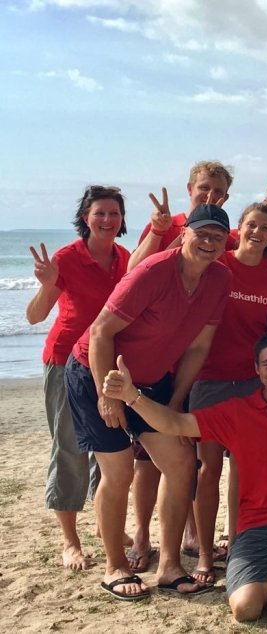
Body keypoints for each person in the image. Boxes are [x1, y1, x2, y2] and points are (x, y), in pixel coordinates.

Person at [102, 332, 267, 621]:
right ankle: (264, 574)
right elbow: (175, 423)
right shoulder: (237, 412)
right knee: (246, 609)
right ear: (257, 369)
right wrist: (131, 396)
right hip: (257, 529)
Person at [64, 203, 233, 601]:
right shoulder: (154, 270)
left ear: (225, 244)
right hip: (96, 373)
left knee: (180, 463)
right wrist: (109, 396)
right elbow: (102, 333)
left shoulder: (220, 278)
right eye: (201, 233)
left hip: (154, 380)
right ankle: (114, 568)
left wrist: (174, 402)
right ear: (184, 234)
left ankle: (170, 566)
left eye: (217, 237)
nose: (208, 242)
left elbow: (199, 348)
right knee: (119, 470)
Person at [26, 185, 130, 571]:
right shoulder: (66, 259)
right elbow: (35, 317)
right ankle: (70, 541)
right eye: (99, 213)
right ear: (85, 217)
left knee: (106, 449)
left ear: (122, 221)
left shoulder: (125, 258)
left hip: (105, 365)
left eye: (114, 214)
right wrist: (48, 283)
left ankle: (108, 530)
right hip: (64, 360)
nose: (107, 220)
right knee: (70, 448)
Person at [189, 202, 267, 584]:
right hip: (208, 380)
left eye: (265, 227)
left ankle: (239, 544)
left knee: (244, 469)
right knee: (208, 469)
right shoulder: (218, 263)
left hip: (249, 383)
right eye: (251, 225)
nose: (257, 232)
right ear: (239, 228)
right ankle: (206, 555)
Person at [128, 160, 234, 270]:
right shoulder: (162, 225)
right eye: (204, 188)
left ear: (225, 198)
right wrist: (157, 231)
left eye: (218, 191)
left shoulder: (223, 238)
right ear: (190, 189)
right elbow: (134, 272)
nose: (210, 195)